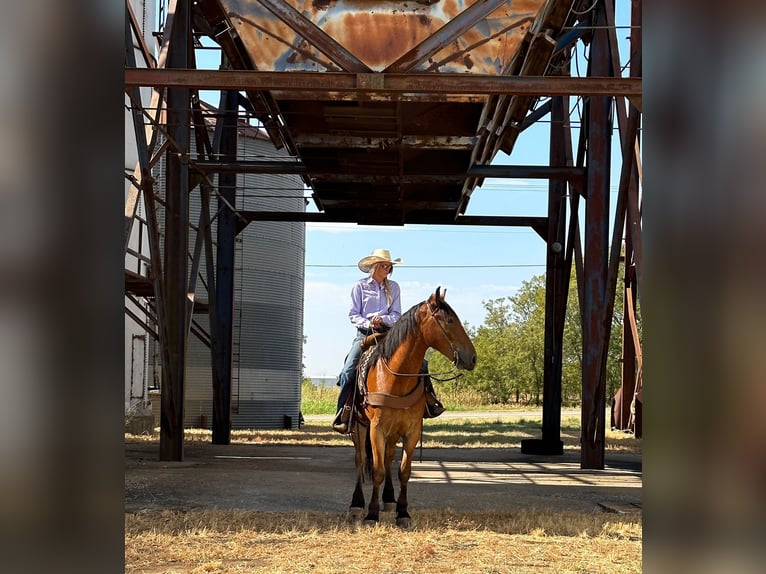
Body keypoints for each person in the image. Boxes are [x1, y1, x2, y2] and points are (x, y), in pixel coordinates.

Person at [332, 248, 445, 433]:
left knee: (421, 364)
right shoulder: (360, 286)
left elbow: (397, 315)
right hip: (365, 334)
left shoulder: (394, 287)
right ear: (374, 266)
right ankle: (343, 413)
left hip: (390, 335)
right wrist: (369, 322)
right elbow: (353, 314)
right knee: (348, 371)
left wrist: (383, 319)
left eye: (389, 267)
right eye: (384, 266)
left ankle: (429, 403)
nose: (387, 269)